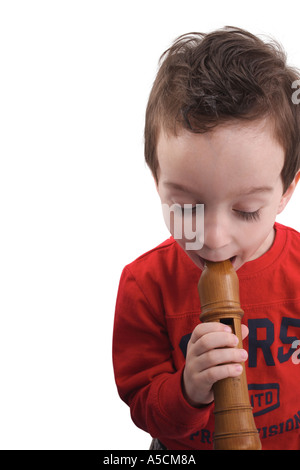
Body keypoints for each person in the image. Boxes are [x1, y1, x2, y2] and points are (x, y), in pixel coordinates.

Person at [113, 26, 300, 450]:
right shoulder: (145, 285)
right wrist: (187, 389)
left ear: (286, 191)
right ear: (158, 181)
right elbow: (143, 406)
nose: (213, 239)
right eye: (185, 206)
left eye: (246, 210)